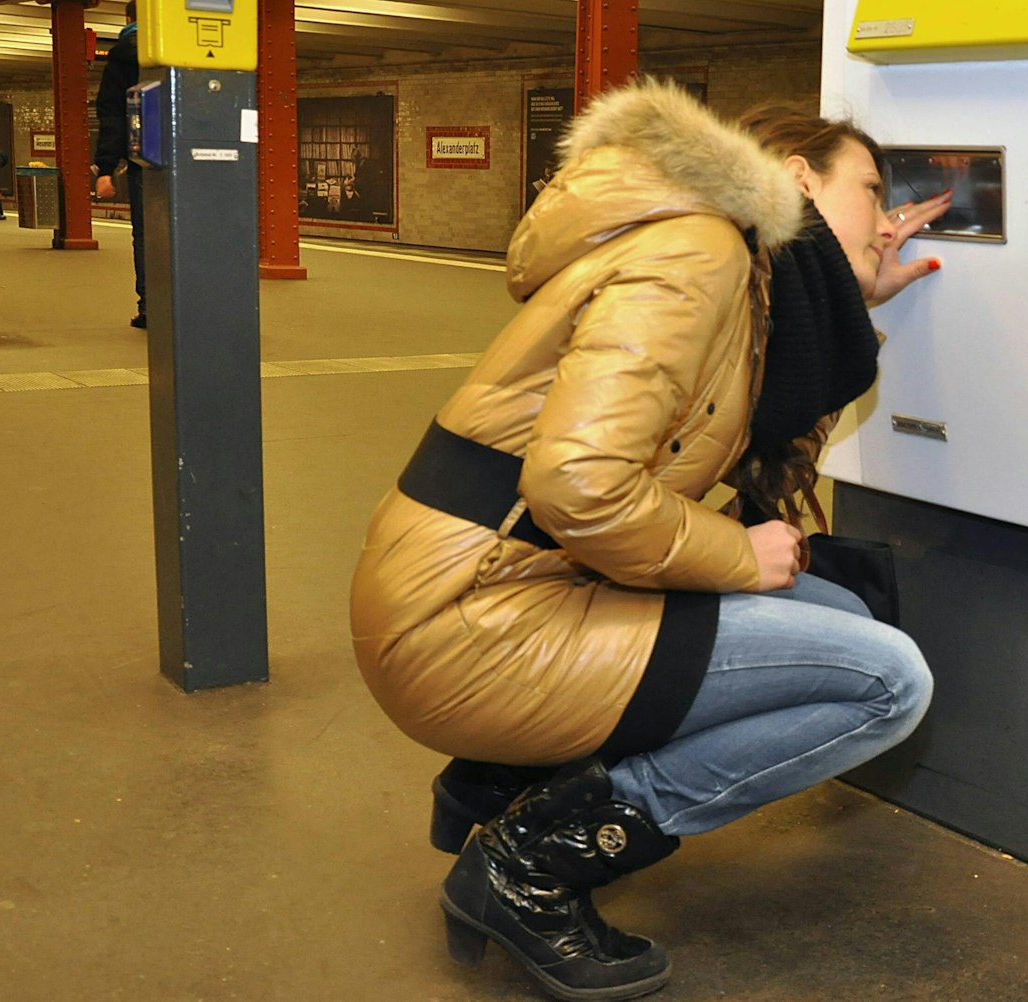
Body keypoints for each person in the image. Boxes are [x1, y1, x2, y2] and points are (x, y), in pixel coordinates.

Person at [348, 79, 953, 1000]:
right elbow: (577, 486)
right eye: (872, 190)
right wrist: (734, 556)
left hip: (521, 580)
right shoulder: (699, 257)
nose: (888, 216)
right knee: (888, 681)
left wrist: (849, 300)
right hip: (470, 617)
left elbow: (762, 444)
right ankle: (533, 858)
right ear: (797, 175)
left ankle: (511, 776)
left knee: (834, 611)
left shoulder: (752, 277)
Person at [92, 2, 142, 328]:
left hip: (146, 163)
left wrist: (106, 168)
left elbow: (112, 114)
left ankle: (153, 305)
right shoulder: (198, 48)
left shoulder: (124, 53)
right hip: (203, 164)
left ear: (128, 18)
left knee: (148, 234)